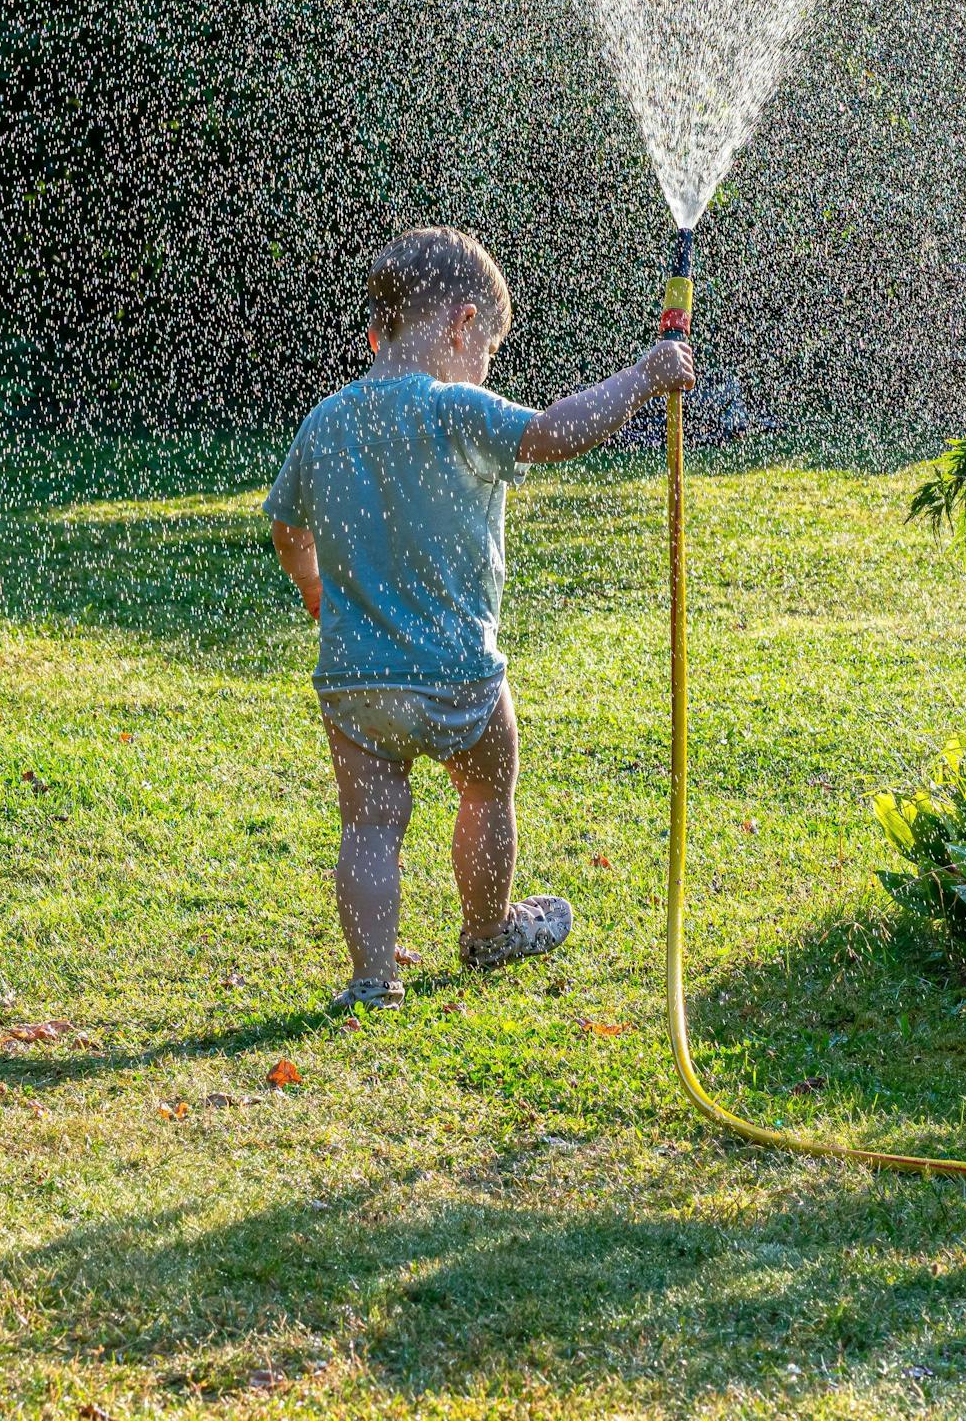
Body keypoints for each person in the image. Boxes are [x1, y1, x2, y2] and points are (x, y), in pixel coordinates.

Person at [267, 225, 694, 1014]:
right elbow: (551, 433)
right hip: (459, 672)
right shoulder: (455, 408)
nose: (484, 365)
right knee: (488, 790)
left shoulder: (325, 421)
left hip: (356, 680)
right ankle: (489, 929)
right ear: (464, 326)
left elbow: (288, 528)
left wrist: (314, 588)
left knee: (369, 826)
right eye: (489, 349)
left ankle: (371, 983)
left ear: (376, 331)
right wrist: (641, 379)